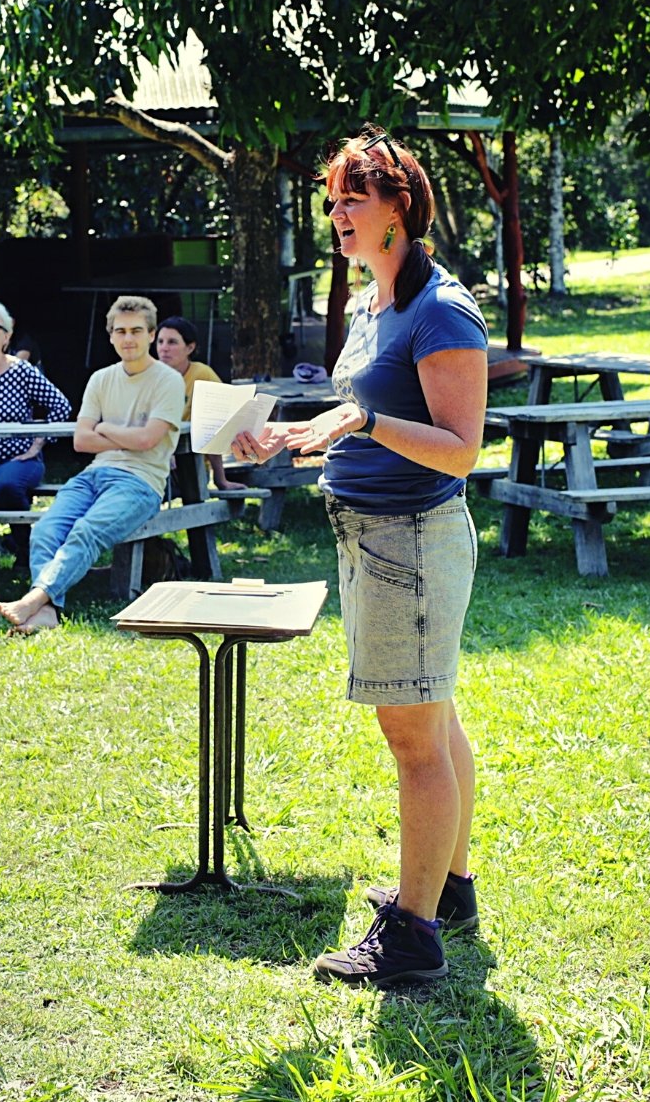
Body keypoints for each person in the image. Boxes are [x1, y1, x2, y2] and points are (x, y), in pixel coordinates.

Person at [233, 126, 487, 986]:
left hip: (411, 543)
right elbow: (359, 409)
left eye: (355, 197)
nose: (338, 212)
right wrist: (298, 436)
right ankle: (448, 892)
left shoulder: (440, 309)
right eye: (333, 198)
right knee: (435, 719)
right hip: (372, 536)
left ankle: (413, 941)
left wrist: (363, 423)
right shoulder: (375, 299)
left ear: (399, 207)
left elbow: (459, 449)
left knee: (413, 735)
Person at [0, 296, 183, 635]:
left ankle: (33, 599)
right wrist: (127, 435)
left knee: (87, 531)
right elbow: (82, 441)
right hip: (93, 474)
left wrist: (106, 428)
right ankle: (49, 610)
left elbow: (148, 441)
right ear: (110, 336)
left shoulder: (168, 380)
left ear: (151, 335)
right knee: (45, 531)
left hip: (140, 482)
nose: (129, 339)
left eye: (137, 331)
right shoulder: (100, 379)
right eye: (121, 331)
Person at [0, 300, 71, 560]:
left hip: (19, 458)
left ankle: (26, 550)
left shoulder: (21, 370)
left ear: (7, 335)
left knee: (6, 486)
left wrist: (37, 444)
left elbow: (61, 406)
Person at [154, 315, 241, 491]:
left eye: (172, 342)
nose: (163, 348)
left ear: (190, 347)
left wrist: (220, 479)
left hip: (189, 466)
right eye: (160, 341)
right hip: (150, 459)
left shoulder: (203, 376)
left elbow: (214, 427)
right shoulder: (148, 376)